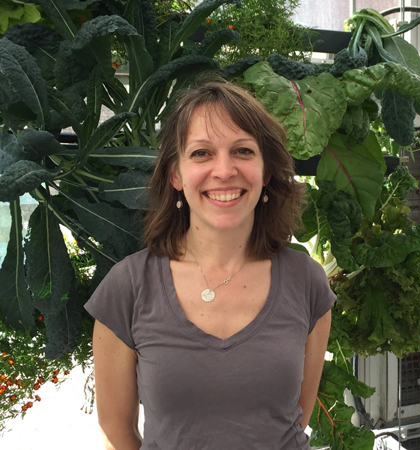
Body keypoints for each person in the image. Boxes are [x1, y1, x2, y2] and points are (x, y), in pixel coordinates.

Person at [84, 78, 335, 450]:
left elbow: (295, 416)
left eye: (243, 151)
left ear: (266, 173)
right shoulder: (129, 286)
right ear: (175, 174)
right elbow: (116, 431)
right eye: (201, 153)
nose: (224, 170)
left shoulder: (307, 281)